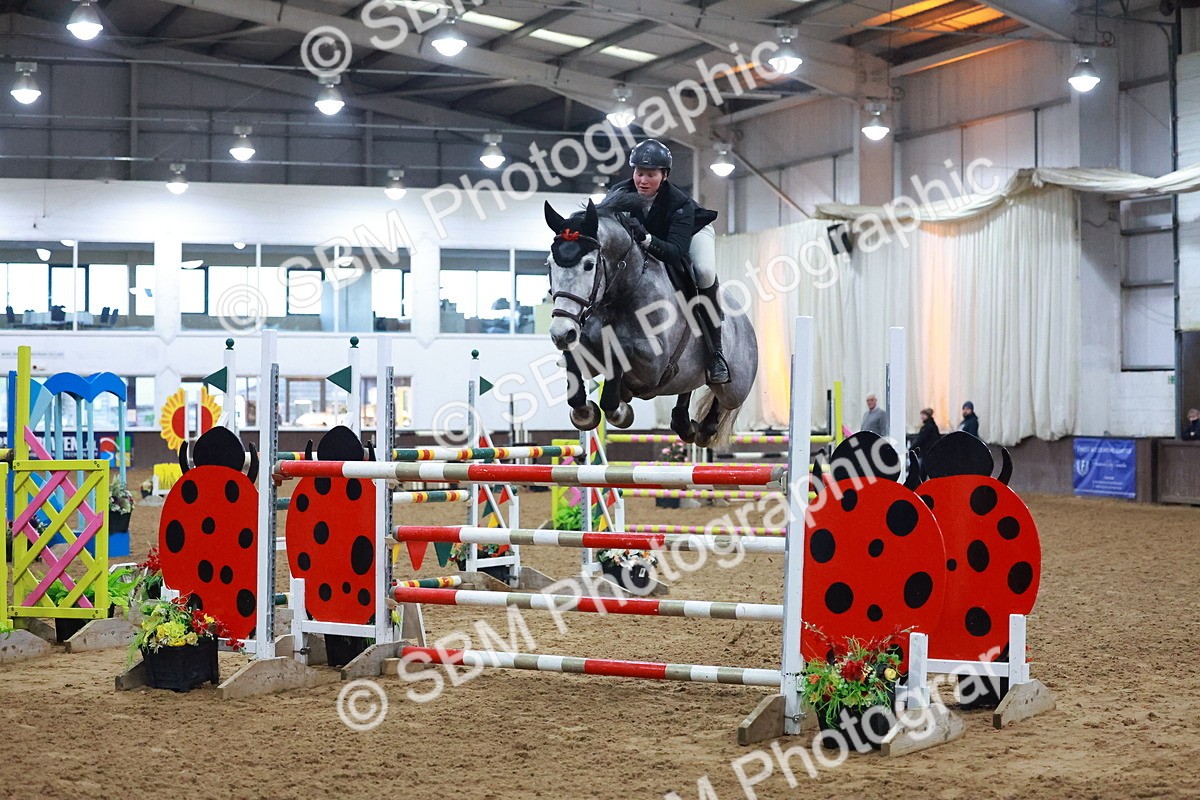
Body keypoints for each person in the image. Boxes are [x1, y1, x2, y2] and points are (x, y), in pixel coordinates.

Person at [609, 139, 727, 384]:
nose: (642, 180)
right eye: (639, 173)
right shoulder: (620, 193)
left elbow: (675, 252)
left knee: (704, 272)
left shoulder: (679, 203)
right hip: (654, 238)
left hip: (691, 234)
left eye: (650, 175)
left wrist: (646, 238)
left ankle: (715, 352)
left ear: (664, 175)